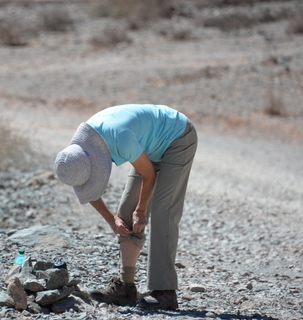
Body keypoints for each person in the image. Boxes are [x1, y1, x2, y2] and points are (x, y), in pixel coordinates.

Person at [54, 104, 198, 310]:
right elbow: (87, 187)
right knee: (126, 210)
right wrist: (112, 219)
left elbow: (149, 175)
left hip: (177, 137)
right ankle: (125, 287)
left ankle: (165, 291)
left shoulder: (120, 139)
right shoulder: (76, 153)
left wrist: (141, 210)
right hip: (149, 145)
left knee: (162, 212)